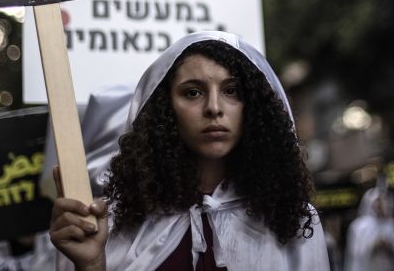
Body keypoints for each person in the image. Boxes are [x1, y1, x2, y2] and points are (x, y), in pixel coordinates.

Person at [50, 30, 330, 270]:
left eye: (232, 91)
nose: (214, 108)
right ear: (164, 110)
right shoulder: (115, 223)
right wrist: (90, 266)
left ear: (255, 107)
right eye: (193, 92)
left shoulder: (292, 219)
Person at [343, 185, 394, 271]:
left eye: (384, 201)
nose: (381, 205)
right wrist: (373, 246)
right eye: (378, 201)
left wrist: (390, 247)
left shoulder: (392, 226)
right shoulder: (359, 226)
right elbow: (354, 252)